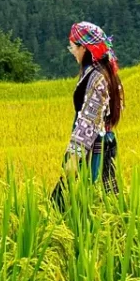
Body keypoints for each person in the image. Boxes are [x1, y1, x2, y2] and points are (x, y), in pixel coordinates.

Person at [51, 21, 124, 209]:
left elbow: (89, 121)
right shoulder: (105, 72)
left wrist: (74, 158)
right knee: (106, 200)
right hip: (103, 144)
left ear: (84, 48)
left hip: (91, 149)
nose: (72, 52)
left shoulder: (96, 77)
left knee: (80, 204)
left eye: (73, 47)